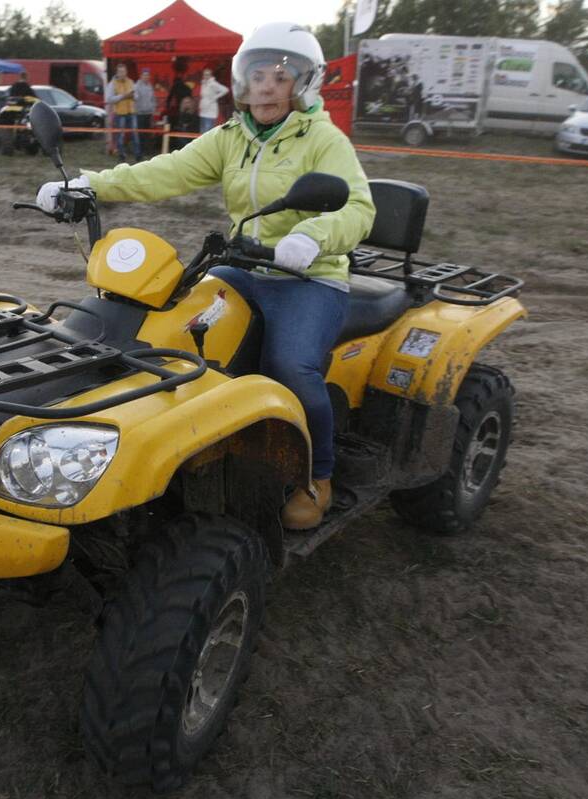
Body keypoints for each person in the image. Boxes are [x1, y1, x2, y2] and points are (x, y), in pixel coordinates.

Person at [37, 23, 375, 530]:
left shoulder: (324, 139)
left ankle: (317, 476)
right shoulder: (232, 137)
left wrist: (313, 237)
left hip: (309, 277)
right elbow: (164, 172)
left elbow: (359, 209)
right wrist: (88, 185)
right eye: (257, 76)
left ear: (304, 84)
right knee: (169, 331)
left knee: (291, 365)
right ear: (242, 81)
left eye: (279, 78)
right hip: (244, 267)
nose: (266, 87)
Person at [109, 63, 140, 162]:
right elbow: (110, 99)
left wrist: (133, 96)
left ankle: (138, 155)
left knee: (135, 134)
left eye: (124, 71)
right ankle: (121, 156)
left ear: (126, 72)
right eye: (120, 72)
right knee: (120, 136)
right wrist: (123, 96)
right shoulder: (112, 83)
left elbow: (137, 97)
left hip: (131, 111)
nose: (122, 73)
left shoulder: (131, 82)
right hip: (120, 113)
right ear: (117, 73)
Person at [197, 67, 229, 133]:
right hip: (203, 109)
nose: (206, 76)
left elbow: (225, 90)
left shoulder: (213, 83)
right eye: (204, 74)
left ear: (211, 75)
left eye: (208, 74)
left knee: (207, 130)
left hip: (210, 110)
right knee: (202, 130)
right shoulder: (204, 83)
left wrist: (215, 97)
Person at [134, 68, 157, 155]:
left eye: (147, 75)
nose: (146, 77)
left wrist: (153, 109)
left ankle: (148, 150)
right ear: (141, 76)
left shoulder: (150, 86)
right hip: (140, 113)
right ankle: (141, 150)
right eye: (144, 75)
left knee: (149, 133)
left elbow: (153, 99)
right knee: (141, 133)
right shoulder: (137, 86)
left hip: (149, 113)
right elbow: (135, 98)